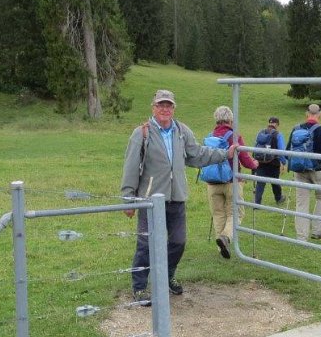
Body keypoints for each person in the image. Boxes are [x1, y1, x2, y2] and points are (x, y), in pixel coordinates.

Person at [120, 89, 237, 303]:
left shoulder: (181, 131)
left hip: (177, 198)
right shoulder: (142, 133)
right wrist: (129, 198)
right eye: (160, 105)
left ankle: (166, 276)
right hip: (150, 200)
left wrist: (224, 154)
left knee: (178, 242)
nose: (165, 109)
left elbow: (198, 154)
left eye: (169, 105)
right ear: (153, 107)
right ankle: (139, 287)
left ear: (174, 108)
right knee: (146, 245)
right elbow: (130, 167)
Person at [205, 106, 259, 259]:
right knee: (236, 213)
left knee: (218, 214)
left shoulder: (211, 136)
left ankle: (221, 247)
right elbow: (245, 158)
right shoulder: (233, 136)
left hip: (212, 183)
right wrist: (254, 164)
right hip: (231, 181)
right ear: (230, 119)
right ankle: (226, 237)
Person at [287, 104, 321, 241]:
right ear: (320, 114)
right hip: (317, 170)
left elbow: (288, 149)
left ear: (307, 114)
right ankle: (318, 230)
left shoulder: (296, 129)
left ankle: (301, 235)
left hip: (299, 170)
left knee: (301, 203)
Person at [253, 116, 287, 206]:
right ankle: (279, 198)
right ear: (277, 124)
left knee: (260, 183)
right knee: (275, 182)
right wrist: (284, 162)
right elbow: (281, 150)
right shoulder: (278, 134)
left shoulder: (261, 133)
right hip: (273, 162)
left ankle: (256, 203)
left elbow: (255, 146)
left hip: (260, 162)